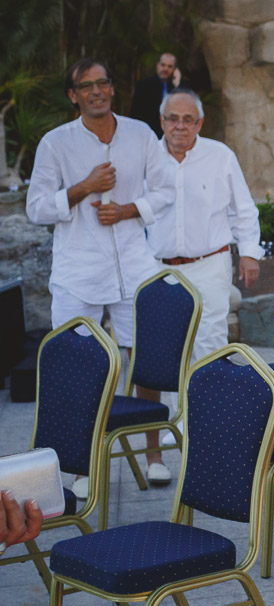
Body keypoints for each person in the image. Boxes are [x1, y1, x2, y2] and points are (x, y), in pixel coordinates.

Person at [25, 59, 173, 500]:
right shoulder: (56, 144)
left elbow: (165, 190)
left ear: (112, 88)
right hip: (78, 272)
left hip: (134, 265)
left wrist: (129, 210)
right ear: (73, 95)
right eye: (86, 86)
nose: (96, 91)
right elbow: (36, 208)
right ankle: (81, 466)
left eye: (103, 82)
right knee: (76, 368)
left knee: (148, 363)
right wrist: (82, 188)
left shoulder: (140, 134)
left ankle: (153, 457)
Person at [143, 88, 262, 485]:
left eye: (188, 120)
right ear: (161, 121)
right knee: (158, 359)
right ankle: (155, 452)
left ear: (200, 123)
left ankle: (208, 446)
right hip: (157, 268)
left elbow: (244, 210)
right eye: (172, 118)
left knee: (209, 353)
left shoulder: (220, 156)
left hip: (209, 265)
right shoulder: (145, 156)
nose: (180, 126)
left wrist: (249, 254)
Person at [130, 52, 184, 137]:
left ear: (175, 69)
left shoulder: (179, 87)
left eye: (170, 66)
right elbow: (134, 113)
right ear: (157, 65)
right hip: (148, 133)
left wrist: (177, 83)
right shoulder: (144, 85)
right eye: (163, 65)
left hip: (172, 135)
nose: (165, 69)